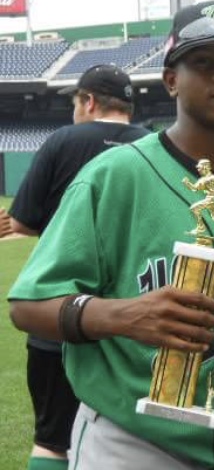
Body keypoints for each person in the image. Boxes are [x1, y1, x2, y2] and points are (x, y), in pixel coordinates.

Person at [8, 0, 214, 470]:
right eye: (203, 62)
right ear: (171, 79)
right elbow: (28, 307)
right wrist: (119, 315)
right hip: (133, 446)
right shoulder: (115, 174)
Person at [7, 64, 149, 470]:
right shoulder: (153, 146)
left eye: (75, 101)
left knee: (52, 441)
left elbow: (24, 221)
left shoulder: (61, 141)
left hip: (61, 313)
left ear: (88, 102)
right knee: (129, 437)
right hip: (133, 317)